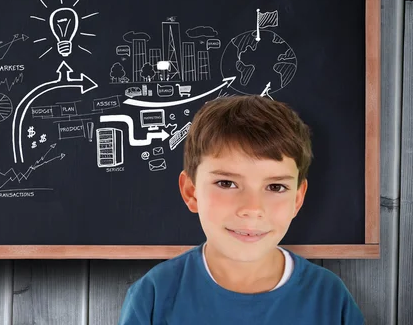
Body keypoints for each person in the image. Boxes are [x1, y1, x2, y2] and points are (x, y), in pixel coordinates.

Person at [119, 95, 364, 324]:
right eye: (226, 183)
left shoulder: (330, 298)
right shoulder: (154, 296)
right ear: (191, 192)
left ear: (297, 199)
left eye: (276, 186)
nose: (252, 208)